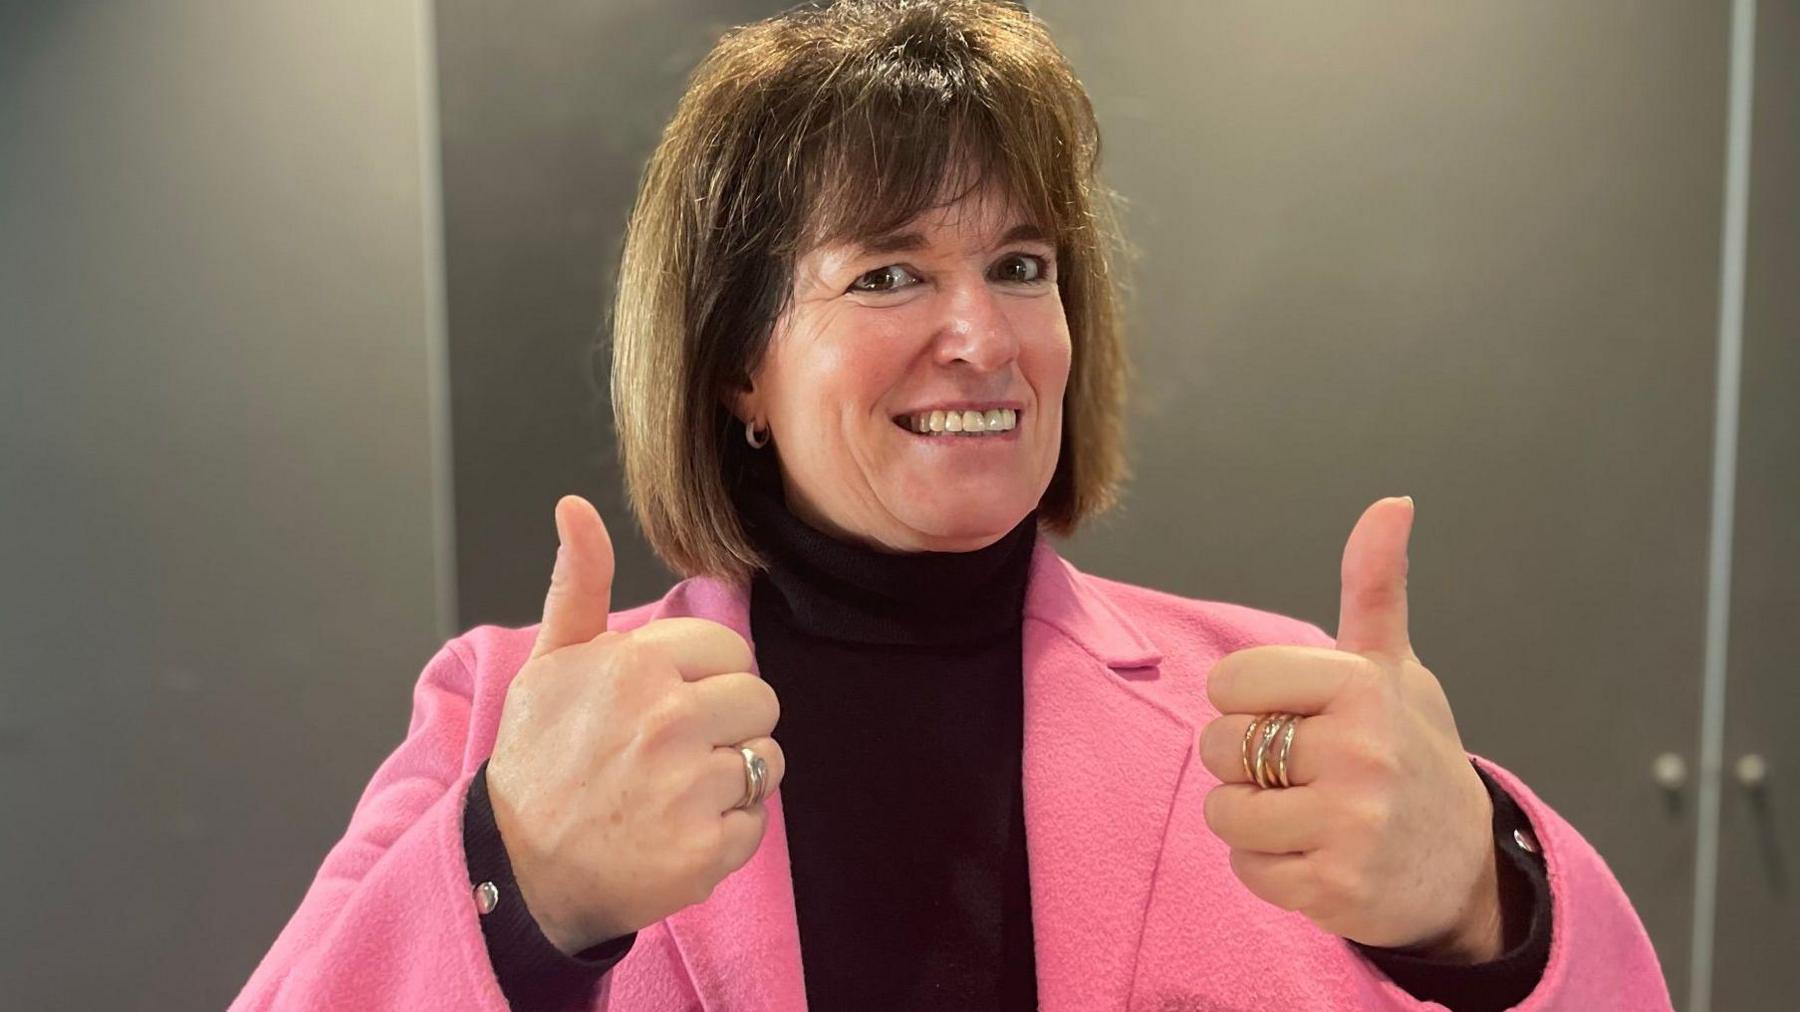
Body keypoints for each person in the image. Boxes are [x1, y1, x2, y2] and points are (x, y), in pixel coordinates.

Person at [234, 1, 1671, 1009]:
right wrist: (513, 888)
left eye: (1022, 265)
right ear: (738, 363)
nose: (981, 337)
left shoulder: (1277, 716)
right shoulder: (513, 723)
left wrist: (1490, 913)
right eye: (889, 273)